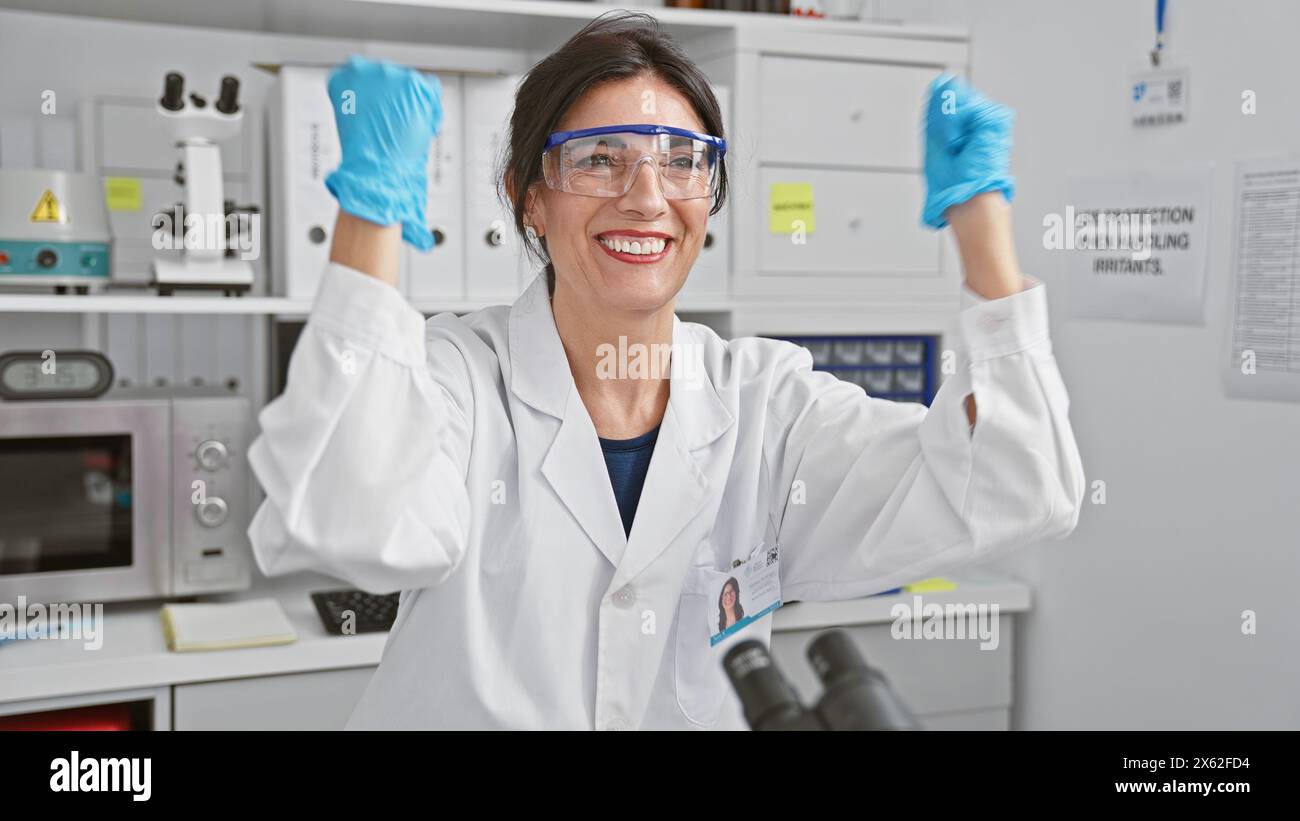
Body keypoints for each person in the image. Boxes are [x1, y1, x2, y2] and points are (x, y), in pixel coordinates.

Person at [248, 11, 1085, 730]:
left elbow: (1010, 484)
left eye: (682, 160)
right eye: (599, 159)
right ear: (530, 198)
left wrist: (982, 226)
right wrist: (370, 209)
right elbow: (350, 515)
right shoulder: (461, 377)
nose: (648, 197)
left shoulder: (769, 405)